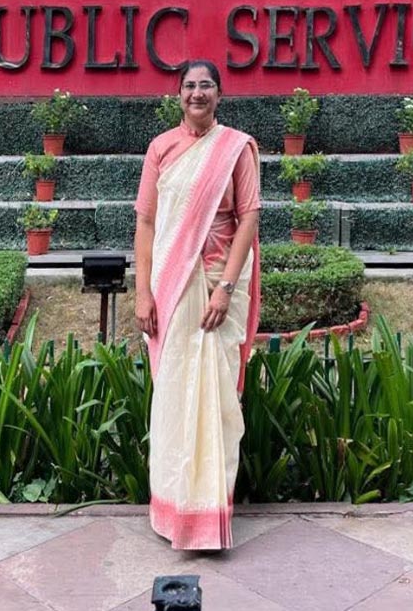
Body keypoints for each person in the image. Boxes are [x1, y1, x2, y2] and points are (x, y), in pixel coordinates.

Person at [134, 60, 261, 551]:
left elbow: (248, 219)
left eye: (206, 85)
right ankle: (173, 512)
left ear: (219, 95)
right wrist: (143, 291)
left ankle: (209, 517)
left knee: (216, 399)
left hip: (217, 287)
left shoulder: (236, 149)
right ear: (178, 95)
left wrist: (225, 288)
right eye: (189, 85)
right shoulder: (161, 148)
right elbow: (146, 223)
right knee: (174, 396)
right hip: (172, 289)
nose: (197, 93)